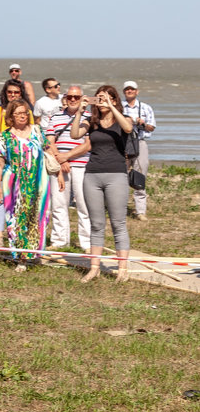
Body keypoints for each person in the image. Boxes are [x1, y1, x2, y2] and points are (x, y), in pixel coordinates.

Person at [71, 85, 134, 282]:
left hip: (116, 175)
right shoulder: (92, 122)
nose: (101, 101)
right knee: (96, 224)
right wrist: (79, 113)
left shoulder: (124, 119)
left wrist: (112, 107)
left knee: (118, 223)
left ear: (115, 100)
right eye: (98, 98)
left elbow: (128, 128)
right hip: (92, 175)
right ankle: (94, 267)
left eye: (105, 98)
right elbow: (74, 135)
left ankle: (122, 269)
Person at [0, 99, 59, 271]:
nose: (23, 116)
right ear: (11, 117)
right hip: (13, 184)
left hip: (38, 182)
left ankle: (34, 253)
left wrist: (59, 174)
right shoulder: (4, 137)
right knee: (16, 218)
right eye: (18, 113)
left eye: (25, 113)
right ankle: (21, 258)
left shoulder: (37, 131)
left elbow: (49, 150)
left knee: (38, 216)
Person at [0, 79, 32, 247]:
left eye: (16, 92)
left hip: (21, 161)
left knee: (20, 199)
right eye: (9, 92)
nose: (12, 95)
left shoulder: (26, 111)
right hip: (1, 159)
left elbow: (31, 131)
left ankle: (19, 233)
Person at [46, 86, 92, 252]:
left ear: (82, 99)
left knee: (83, 205)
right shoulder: (55, 116)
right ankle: (59, 241)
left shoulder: (89, 117)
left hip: (81, 165)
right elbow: (49, 141)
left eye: (77, 97)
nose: (73, 100)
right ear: (65, 98)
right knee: (58, 204)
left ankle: (87, 243)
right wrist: (60, 158)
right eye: (70, 97)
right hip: (59, 166)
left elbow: (88, 144)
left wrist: (68, 156)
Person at [121, 81, 156, 221]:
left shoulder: (145, 108)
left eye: (132, 89)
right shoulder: (119, 107)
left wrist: (143, 123)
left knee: (140, 175)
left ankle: (140, 211)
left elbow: (152, 127)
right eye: (127, 89)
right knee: (120, 175)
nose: (129, 91)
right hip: (123, 143)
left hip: (140, 142)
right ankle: (118, 208)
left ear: (137, 91)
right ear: (124, 91)